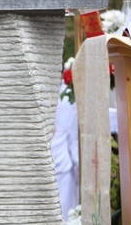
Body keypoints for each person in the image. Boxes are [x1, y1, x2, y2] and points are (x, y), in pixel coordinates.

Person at [53, 85, 79, 221]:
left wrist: (77, 162)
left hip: (61, 162)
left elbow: (72, 134)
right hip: (57, 160)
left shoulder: (65, 94)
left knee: (66, 213)